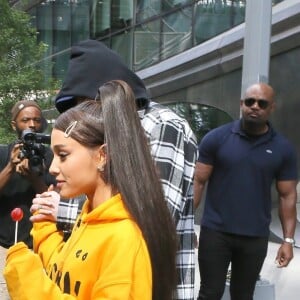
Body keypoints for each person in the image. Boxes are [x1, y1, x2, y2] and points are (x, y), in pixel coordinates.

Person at [31, 39, 198, 300]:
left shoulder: (163, 125)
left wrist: (60, 208)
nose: (85, 114)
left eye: (87, 103)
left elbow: (156, 213)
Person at [4, 80, 177, 299]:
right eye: (53, 155)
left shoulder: (123, 238)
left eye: (63, 155)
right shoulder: (88, 219)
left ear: (101, 156)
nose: (53, 167)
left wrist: (29, 284)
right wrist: (44, 228)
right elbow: (66, 271)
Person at [194, 82, 298, 300]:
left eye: (262, 103)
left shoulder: (283, 149)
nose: (255, 106)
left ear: (272, 108)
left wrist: (288, 241)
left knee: (243, 295)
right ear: (241, 104)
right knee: (209, 293)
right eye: (250, 101)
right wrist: (183, 226)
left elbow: (287, 195)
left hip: (254, 237)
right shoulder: (216, 139)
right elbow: (198, 182)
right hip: (216, 233)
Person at [0, 100, 54, 249]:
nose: (32, 125)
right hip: (2, 245)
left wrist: (34, 179)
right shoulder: (3, 153)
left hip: (36, 244)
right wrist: (10, 167)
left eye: (36, 120)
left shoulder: (50, 156)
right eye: (25, 120)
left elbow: (53, 202)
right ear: (14, 125)